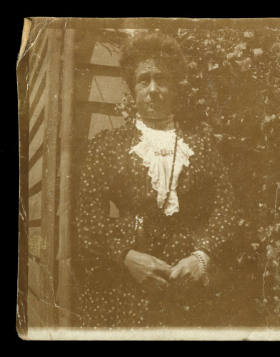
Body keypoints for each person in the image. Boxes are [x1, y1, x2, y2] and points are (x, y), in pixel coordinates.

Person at [75, 31, 238, 328]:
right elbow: (87, 218)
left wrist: (201, 258)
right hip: (124, 290)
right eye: (144, 79)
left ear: (175, 86)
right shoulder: (108, 146)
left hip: (188, 291)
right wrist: (125, 256)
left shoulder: (200, 146)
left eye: (161, 79)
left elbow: (226, 209)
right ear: (132, 88)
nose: (153, 89)